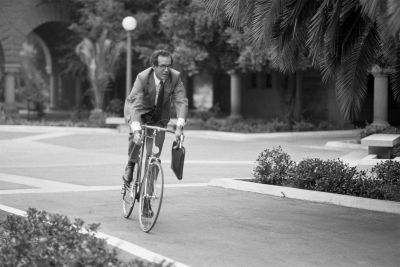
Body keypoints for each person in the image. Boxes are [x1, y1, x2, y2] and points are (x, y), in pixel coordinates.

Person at [122, 49, 188, 192]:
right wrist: (136, 130)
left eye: (168, 66)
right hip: (139, 112)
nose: (166, 69)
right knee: (136, 139)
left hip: (159, 118)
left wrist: (179, 127)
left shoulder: (175, 78)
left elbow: (181, 102)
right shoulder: (143, 77)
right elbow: (135, 105)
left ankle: (148, 195)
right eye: (162, 66)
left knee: (154, 157)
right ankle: (131, 165)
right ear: (154, 66)